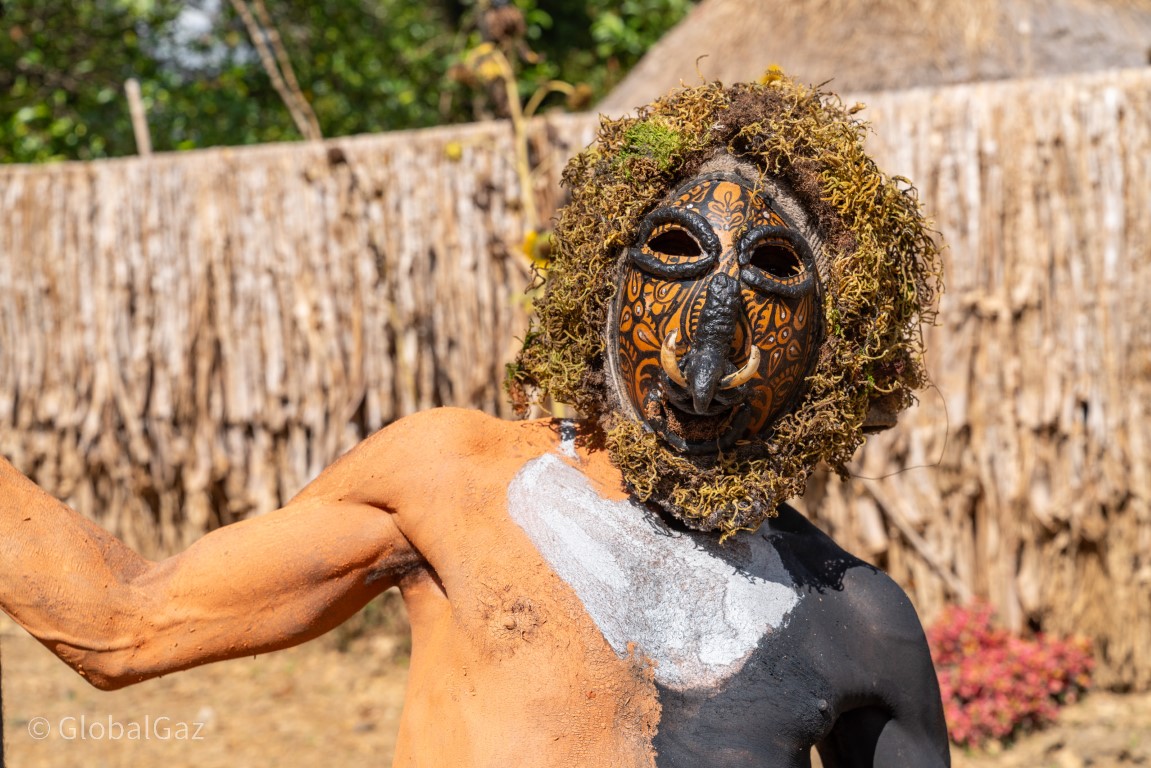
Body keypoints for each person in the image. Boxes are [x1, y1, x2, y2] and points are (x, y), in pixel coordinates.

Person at [0, 75, 950, 766]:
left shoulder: (858, 626)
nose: (703, 374)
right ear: (600, 290)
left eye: (771, 285)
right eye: (674, 257)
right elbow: (117, 627)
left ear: (833, 355)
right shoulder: (456, 482)